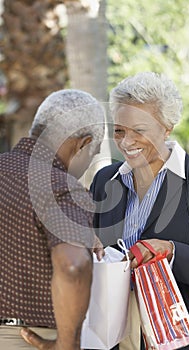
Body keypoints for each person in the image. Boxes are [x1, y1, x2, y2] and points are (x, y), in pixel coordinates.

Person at [90, 72, 189, 350]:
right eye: (119, 130)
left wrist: (171, 251)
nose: (126, 142)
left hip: (182, 341)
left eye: (139, 130)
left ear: (166, 127)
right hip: (114, 339)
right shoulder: (105, 181)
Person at [0, 89, 105, 350]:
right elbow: (72, 266)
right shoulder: (60, 186)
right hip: (24, 339)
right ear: (82, 143)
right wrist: (67, 344)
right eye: (93, 154)